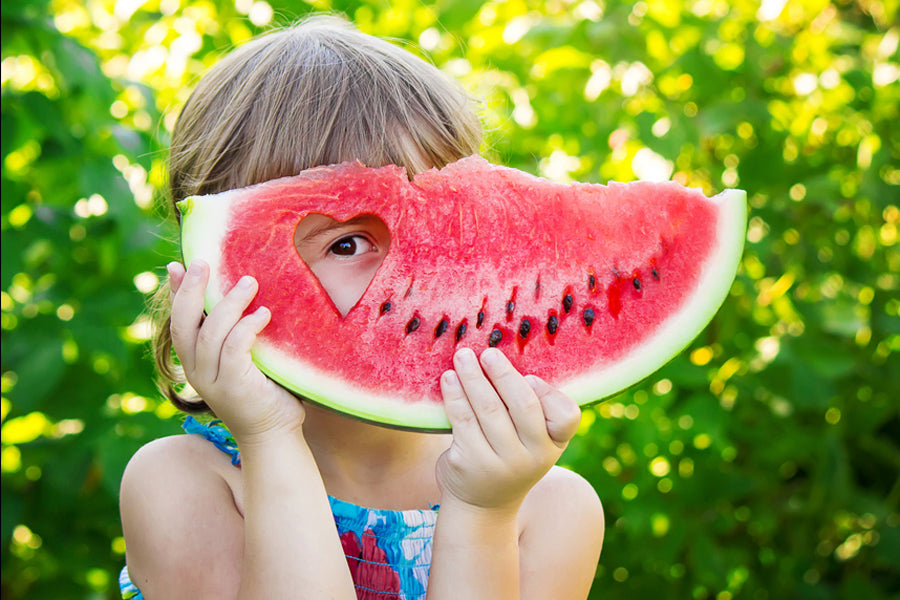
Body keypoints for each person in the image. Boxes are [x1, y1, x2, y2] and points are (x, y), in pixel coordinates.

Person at [119, 15, 604, 600]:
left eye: (447, 228)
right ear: (223, 279)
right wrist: (270, 437)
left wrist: (483, 513)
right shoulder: (184, 483)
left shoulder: (550, 509)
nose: (415, 271)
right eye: (346, 243)